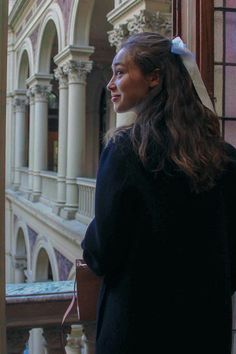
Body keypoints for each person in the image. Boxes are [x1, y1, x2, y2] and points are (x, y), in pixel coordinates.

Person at [81, 32, 236, 354]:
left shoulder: (125, 151)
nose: (111, 83)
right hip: (206, 329)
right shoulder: (226, 157)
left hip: (136, 331)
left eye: (120, 72)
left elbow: (101, 253)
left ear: (154, 78)